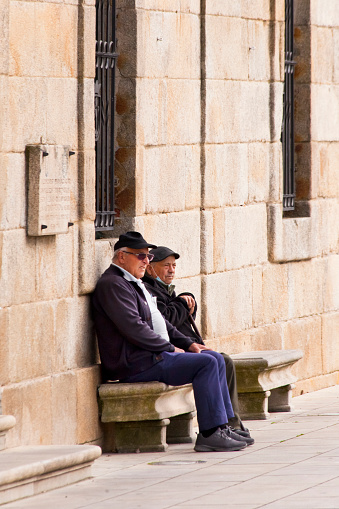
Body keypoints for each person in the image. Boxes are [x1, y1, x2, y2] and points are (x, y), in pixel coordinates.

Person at [92, 231, 253, 452]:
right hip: (134, 363)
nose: (146, 261)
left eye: (148, 256)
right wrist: (170, 348)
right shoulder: (113, 284)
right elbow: (134, 328)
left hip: (152, 356)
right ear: (122, 257)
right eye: (141, 256)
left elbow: (161, 323)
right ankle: (210, 433)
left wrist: (188, 344)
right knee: (205, 364)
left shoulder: (133, 282)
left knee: (214, 357)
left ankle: (223, 427)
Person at [142, 245, 250, 437]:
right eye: (166, 265)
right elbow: (165, 321)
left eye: (174, 265)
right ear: (150, 268)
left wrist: (188, 303)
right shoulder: (148, 290)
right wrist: (183, 304)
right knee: (218, 360)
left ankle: (231, 422)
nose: (172, 270)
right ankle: (220, 426)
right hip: (168, 353)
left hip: (182, 348)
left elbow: (176, 319)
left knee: (222, 360)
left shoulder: (164, 288)